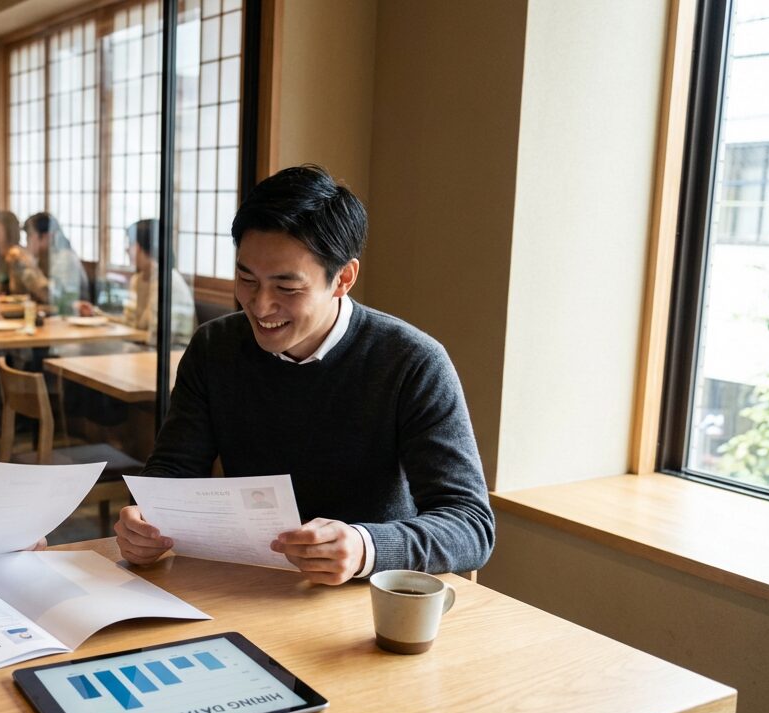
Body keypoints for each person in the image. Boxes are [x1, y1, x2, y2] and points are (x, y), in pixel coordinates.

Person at [115, 165, 494, 584]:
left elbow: (470, 524)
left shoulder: (411, 362)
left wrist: (364, 546)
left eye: (287, 288)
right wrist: (144, 524)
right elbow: (172, 473)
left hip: (364, 599)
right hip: (247, 581)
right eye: (246, 278)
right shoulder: (214, 347)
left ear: (343, 279)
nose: (259, 306)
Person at [78, 219, 195, 348]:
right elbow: (130, 323)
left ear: (143, 246)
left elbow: (155, 336)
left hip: (172, 353)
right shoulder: (138, 279)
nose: (127, 249)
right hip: (142, 348)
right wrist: (95, 314)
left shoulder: (168, 280)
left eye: (131, 243)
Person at [8, 212, 91, 315]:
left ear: (46, 237)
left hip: (70, 318)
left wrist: (31, 267)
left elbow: (54, 298)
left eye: (29, 236)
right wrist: (17, 266)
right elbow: (19, 293)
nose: (27, 242)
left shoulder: (65, 258)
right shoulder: (41, 256)